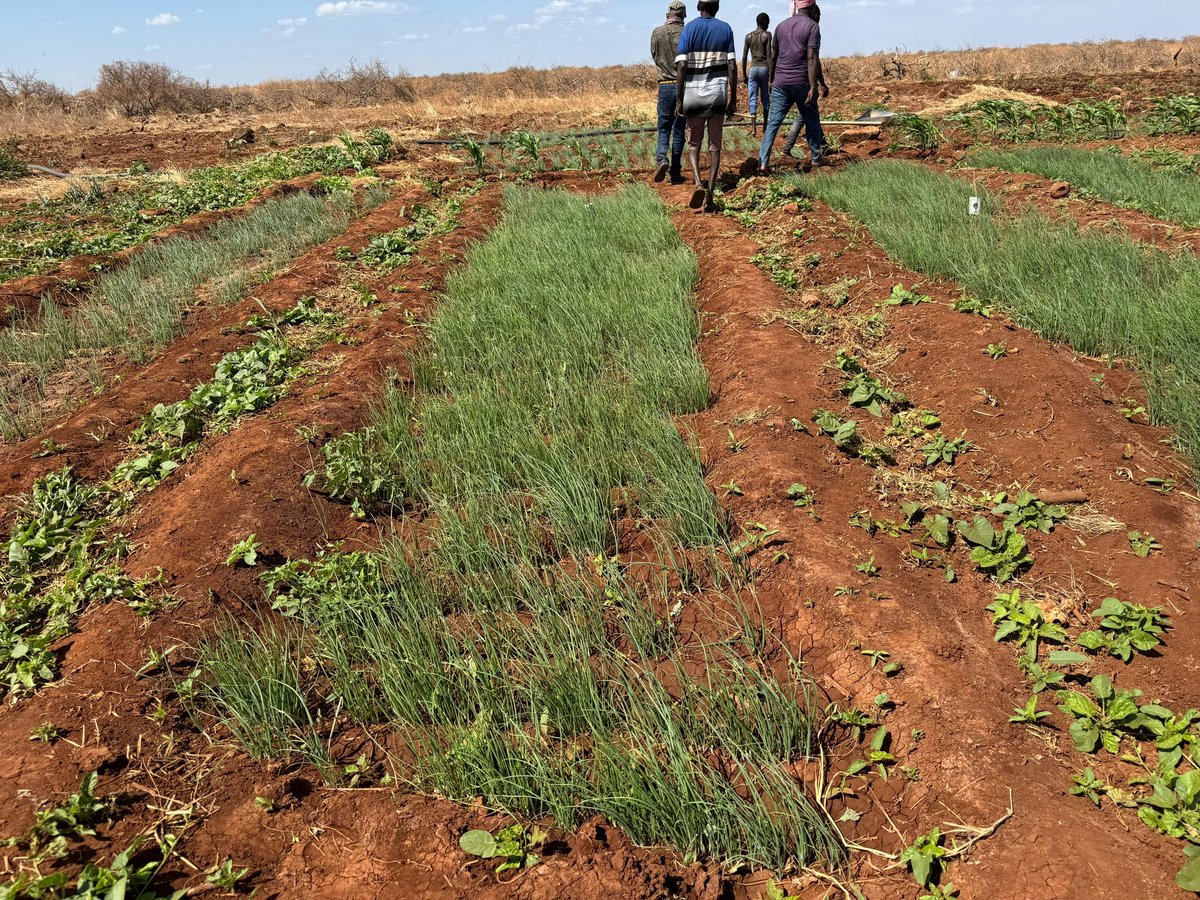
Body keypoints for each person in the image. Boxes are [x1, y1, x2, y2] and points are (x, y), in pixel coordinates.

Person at [675, 0, 738, 211]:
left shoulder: (689, 29)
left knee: (693, 144)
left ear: (698, 7)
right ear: (717, 7)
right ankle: (710, 194)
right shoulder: (725, 29)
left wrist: (679, 98)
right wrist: (733, 99)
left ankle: (698, 183)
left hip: (693, 96)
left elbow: (681, 65)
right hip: (717, 96)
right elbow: (732, 66)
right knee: (715, 146)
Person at [758, 0, 827, 175]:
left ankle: (763, 163)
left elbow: (773, 57)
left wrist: (771, 80)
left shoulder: (780, 26)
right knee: (811, 119)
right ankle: (816, 157)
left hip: (780, 82)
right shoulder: (812, 26)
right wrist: (813, 86)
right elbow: (811, 58)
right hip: (801, 81)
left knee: (773, 123)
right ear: (811, 6)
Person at [780, 3, 829, 158]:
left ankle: (822, 144)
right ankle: (789, 149)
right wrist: (820, 84)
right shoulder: (812, 29)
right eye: (819, 15)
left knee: (809, 115)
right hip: (804, 82)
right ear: (815, 14)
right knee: (804, 116)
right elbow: (814, 61)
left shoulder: (796, 29)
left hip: (792, 79)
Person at [651, 1, 688, 185]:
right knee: (679, 128)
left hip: (664, 84)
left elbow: (655, 55)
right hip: (684, 86)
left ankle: (661, 159)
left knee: (664, 126)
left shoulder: (657, 32)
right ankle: (675, 171)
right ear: (683, 15)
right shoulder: (686, 32)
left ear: (668, 14)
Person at [742, 13, 772, 137]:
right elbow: (769, 56)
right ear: (764, 22)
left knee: (752, 98)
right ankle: (765, 127)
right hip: (764, 68)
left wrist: (744, 74)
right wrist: (771, 75)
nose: (768, 25)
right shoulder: (767, 35)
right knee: (765, 98)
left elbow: (744, 57)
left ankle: (754, 130)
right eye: (768, 22)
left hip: (753, 69)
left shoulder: (748, 37)